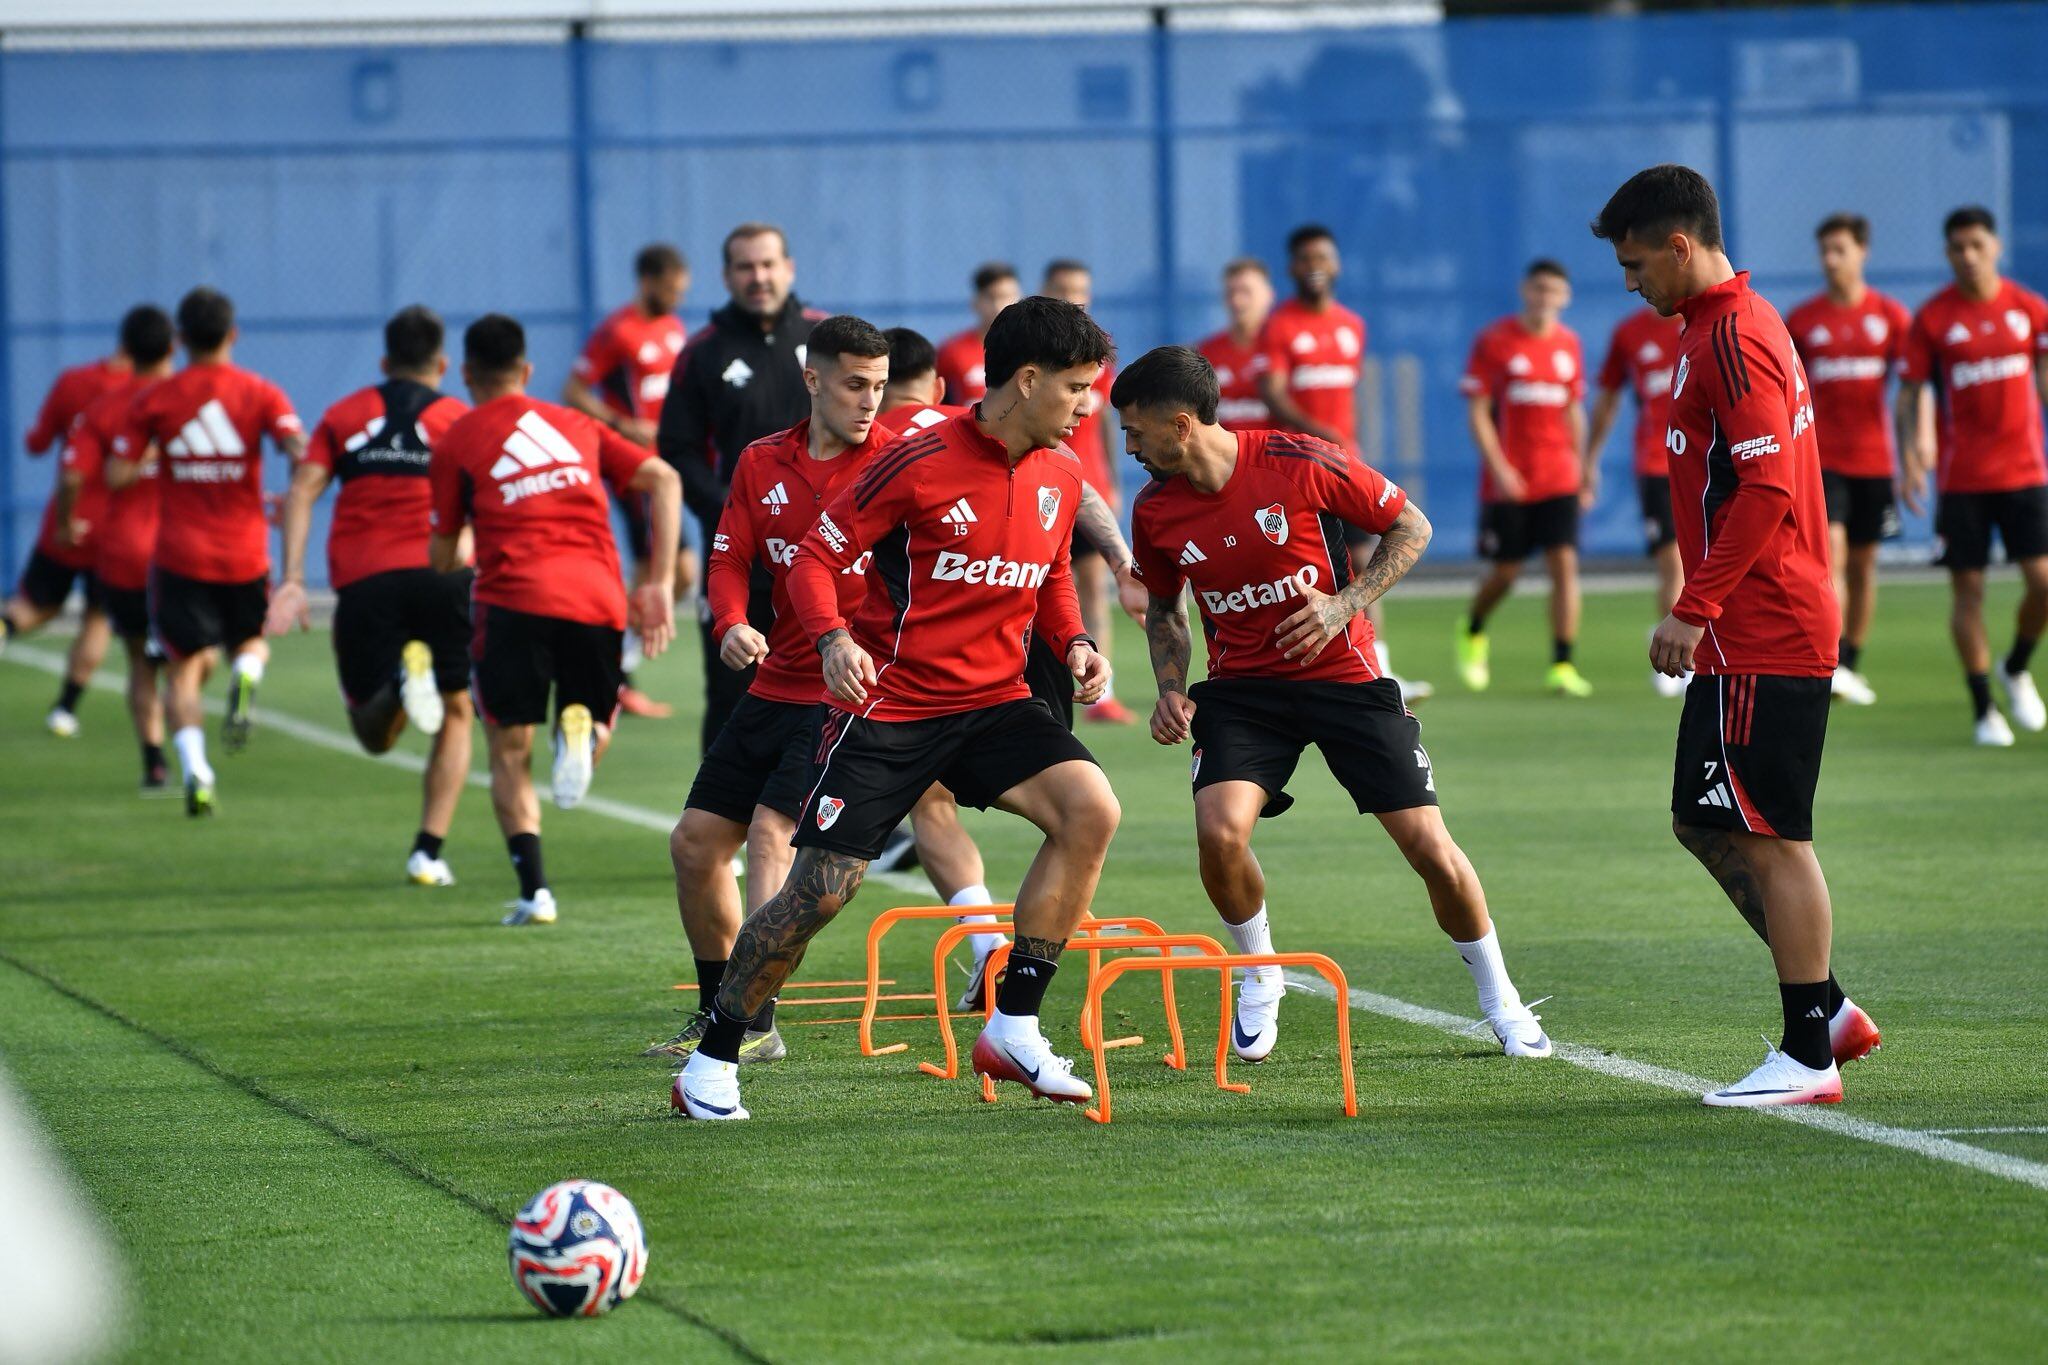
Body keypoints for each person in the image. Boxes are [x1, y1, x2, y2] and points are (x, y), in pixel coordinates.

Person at [673, 296, 1119, 1121]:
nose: (1088, 405)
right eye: (1077, 387)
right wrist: (836, 639)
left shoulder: (1063, 471)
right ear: (1026, 381)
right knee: (820, 892)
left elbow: (1053, 572)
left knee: (1091, 809)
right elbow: (814, 559)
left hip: (995, 701)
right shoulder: (917, 458)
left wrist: (1078, 642)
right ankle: (715, 1056)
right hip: (893, 709)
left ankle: (1014, 1022)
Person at [1119, 345, 1551, 1062]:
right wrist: (1170, 689)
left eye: (1136, 432)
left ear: (1183, 424)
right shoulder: (1155, 508)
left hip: (1344, 679)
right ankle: (1260, 975)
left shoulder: (1302, 460)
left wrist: (1342, 604)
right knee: (1219, 831)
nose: (1128, 447)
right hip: (1241, 693)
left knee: (1429, 848)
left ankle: (1501, 998)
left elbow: (1412, 526)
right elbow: (1166, 610)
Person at [1594, 162, 1880, 1107]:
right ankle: (1829, 1008)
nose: (1630, 282)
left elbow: (1766, 490)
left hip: (1764, 628)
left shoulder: (1735, 338)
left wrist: (1694, 604)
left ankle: (1809, 1055)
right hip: (1744, 633)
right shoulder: (1713, 328)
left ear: (1681, 245)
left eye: (1637, 263)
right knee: (1704, 820)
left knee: (1772, 837)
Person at [428, 314, 681, 924]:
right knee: (594, 719)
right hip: (595, 596)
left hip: (513, 600)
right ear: (528, 371)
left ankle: (535, 891)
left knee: (508, 752)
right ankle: (583, 732)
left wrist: (464, 544)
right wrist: (660, 584)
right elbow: (663, 478)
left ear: (466, 375)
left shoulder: (458, 440)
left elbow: (442, 557)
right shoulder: (576, 424)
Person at [269, 305, 475, 887]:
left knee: (372, 732)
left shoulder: (344, 414)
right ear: (441, 363)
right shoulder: (457, 418)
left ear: (385, 362)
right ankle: (428, 849)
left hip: (366, 579)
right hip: (445, 576)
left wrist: (291, 578)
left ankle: (402, 687)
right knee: (458, 712)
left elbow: (302, 492)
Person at [107, 288, 304, 816]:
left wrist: (160, 448)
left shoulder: (156, 399)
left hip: (180, 557)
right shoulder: (260, 392)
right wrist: (293, 491)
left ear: (181, 340)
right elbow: (298, 448)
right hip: (244, 552)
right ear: (232, 335)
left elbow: (118, 473)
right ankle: (248, 675)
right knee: (251, 641)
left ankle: (196, 771)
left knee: (184, 670)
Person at [657, 223, 823, 753]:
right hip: (740, 555)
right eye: (746, 267)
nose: (759, 277)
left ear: (789, 268)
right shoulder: (702, 353)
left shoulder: (825, 341)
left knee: (841, 692)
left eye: (769, 264)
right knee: (734, 694)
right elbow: (677, 449)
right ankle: (718, 825)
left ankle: (846, 830)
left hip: (830, 552)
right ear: (727, 276)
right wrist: (732, 510)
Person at [1895, 205, 2048, 746]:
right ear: (1948, 253)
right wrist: (1912, 454)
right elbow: (1909, 393)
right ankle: (1985, 708)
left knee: (2043, 584)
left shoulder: (2028, 309)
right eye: (1957, 247)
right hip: (1963, 482)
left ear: (1996, 247)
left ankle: (2016, 666)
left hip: (2026, 474)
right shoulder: (1934, 319)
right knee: (1969, 593)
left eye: (1976, 245)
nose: (1967, 255)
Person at [1257, 224, 1429, 701]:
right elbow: (1271, 391)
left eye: (1323, 256)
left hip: (1341, 466)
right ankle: (1279, 667)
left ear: (1336, 264)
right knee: (1292, 566)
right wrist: (1317, 430)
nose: (1315, 266)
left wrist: (1341, 440)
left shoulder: (1351, 324)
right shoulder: (1279, 325)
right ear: (1293, 268)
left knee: (1360, 559)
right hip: (1293, 470)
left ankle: (1380, 668)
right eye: (1305, 258)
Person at [1787, 213, 1914, 708]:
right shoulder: (1804, 321)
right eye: (1825, 251)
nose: (1830, 260)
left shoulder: (1891, 317)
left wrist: (1913, 453)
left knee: (1863, 566)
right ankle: (1830, 658)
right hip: (1822, 461)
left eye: (1840, 249)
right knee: (1831, 556)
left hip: (1875, 462)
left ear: (1863, 251)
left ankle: (1852, 663)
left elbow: (1911, 391)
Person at [47, 306, 175, 791]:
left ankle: (155, 761)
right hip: (180, 552)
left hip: (122, 554)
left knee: (139, 660)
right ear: (172, 347)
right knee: (193, 659)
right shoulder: (190, 399)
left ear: (126, 349)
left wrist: (64, 525)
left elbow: (72, 472)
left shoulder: (103, 407)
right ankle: (193, 742)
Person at [564, 242, 693, 719]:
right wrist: (620, 425)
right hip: (635, 470)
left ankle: (621, 663)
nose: (676, 297)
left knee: (678, 572)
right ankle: (616, 673)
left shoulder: (675, 328)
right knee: (654, 568)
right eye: (668, 289)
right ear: (647, 282)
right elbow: (574, 390)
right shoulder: (618, 331)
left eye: (681, 290)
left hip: (668, 466)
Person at [1455, 260, 1596, 698]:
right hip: (1511, 480)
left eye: (1554, 291)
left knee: (1565, 567)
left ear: (1565, 298)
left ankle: (1562, 663)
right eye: (1538, 289)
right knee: (1506, 573)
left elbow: (1573, 408)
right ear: (1524, 290)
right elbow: (1478, 410)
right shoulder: (1495, 341)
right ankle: (1473, 627)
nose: (1545, 298)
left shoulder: (1569, 344)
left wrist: (1584, 468)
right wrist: (1499, 468)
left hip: (1559, 476)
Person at [0, 318, 137, 735]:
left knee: (33, 606)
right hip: (115, 531)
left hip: (64, 520)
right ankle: (64, 710)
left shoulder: (73, 383)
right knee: (97, 618)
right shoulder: (151, 398)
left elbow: (38, 443)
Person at [1037, 259, 1134, 724]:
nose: (1075, 297)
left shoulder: (1098, 358)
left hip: (1087, 489)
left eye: (1081, 290)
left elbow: (1105, 431)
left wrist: (1110, 482)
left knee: (1093, 585)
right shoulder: (1037, 356)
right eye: (1064, 289)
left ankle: (1102, 691)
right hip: (1043, 488)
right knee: (1040, 586)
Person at [1589, 302, 1687, 696]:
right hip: (1657, 462)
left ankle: (1703, 644)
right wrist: (1590, 458)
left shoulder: (1706, 325)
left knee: (1707, 560)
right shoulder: (1629, 333)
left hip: (1708, 460)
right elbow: (1609, 398)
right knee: (1673, 560)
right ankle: (1676, 656)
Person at [1194, 258, 1275, 432]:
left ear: (1268, 295)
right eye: (1231, 293)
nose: (1237, 301)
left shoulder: (1286, 348)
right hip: (1225, 457)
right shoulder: (1205, 353)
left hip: (1277, 456)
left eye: (1246, 292)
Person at [934, 262, 1021, 406]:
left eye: (1007, 296)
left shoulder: (1035, 349)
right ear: (976, 302)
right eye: (991, 297)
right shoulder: (952, 350)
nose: (999, 306)